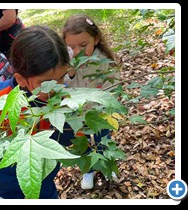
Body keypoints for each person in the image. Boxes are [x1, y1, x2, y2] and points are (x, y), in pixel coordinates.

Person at [0, 25, 73, 199]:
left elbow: (66, 139)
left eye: (62, 77)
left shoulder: (64, 98)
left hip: (44, 183)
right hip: (6, 187)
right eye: (45, 83)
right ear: (21, 79)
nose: (56, 87)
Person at [62, 14, 119, 190]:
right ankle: (89, 168)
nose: (77, 51)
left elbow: (113, 85)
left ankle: (106, 164)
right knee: (81, 142)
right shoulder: (66, 61)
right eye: (71, 46)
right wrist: (70, 73)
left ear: (96, 39)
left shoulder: (104, 61)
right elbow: (62, 86)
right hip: (77, 114)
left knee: (104, 139)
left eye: (83, 45)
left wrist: (107, 108)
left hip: (101, 112)